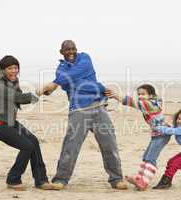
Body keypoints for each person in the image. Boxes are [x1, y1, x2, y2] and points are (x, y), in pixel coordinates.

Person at [36, 40, 127, 190]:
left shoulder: (85, 58)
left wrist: (54, 84)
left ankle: (116, 178)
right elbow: (69, 81)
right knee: (70, 146)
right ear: (61, 52)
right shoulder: (61, 70)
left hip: (99, 108)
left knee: (109, 145)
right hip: (77, 110)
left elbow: (73, 78)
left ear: (77, 49)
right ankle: (61, 179)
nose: (71, 52)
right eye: (67, 50)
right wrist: (98, 87)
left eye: (73, 49)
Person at [0, 55, 52, 190]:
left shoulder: (13, 81)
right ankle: (13, 179)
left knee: (33, 141)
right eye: (10, 68)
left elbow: (21, 98)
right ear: (2, 70)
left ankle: (41, 181)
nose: (14, 71)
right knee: (27, 146)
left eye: (16, 68)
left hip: (8, 121)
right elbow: (19, 97)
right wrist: (38, 93)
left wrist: (40, 93)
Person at [105, 84, 171, 190]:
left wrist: (116, 96)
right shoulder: (150, 102)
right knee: (146, 156)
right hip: (157, 134)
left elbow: (131, 102)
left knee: (151, 158)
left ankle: (143, 183)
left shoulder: (149, 104)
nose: (140, 96)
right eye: (139, 94)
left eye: (143, 94)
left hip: (162, 134)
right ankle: (140, 178)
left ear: (150, 95)